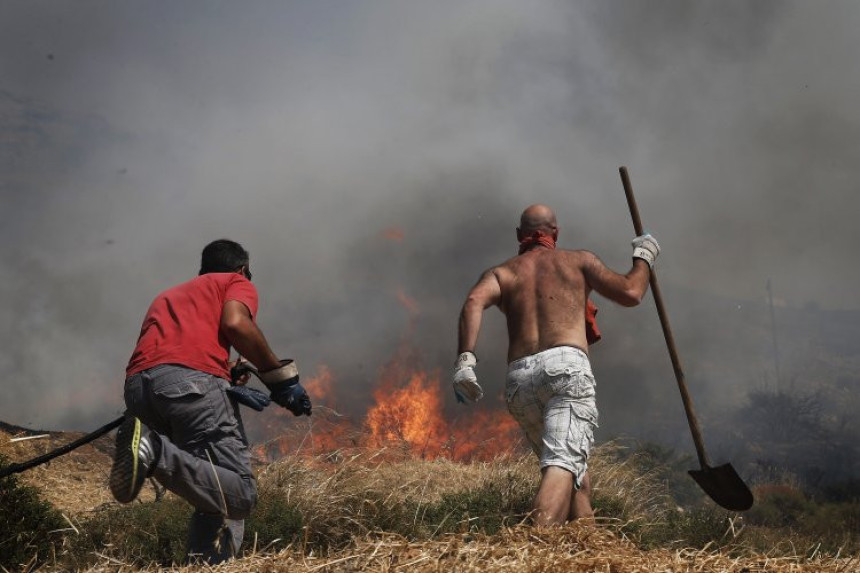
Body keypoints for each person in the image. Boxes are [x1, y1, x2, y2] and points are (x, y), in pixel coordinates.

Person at [453, 204, 659, 525]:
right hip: (565, 370)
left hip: (520, 380)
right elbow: (631, 292)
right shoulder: (578, 261)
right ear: (556, 233)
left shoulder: (502, 273)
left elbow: (473, 302)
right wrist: (644, 256)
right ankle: (536, 551)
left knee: (576, 476)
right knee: (562, 463)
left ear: (519, 235)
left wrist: (465, 360)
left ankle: (588, 551)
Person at [109, 239, 312, 563]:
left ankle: (206, 566)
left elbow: (167, 353)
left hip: (140, 391)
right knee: (241, 494)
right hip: (189, 385)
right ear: (242, 269)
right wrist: (278, 377)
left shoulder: (168, 295)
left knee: (215, 488)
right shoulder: (235, 281)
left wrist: (224, 369)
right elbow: (236, 323)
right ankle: (154, 451)